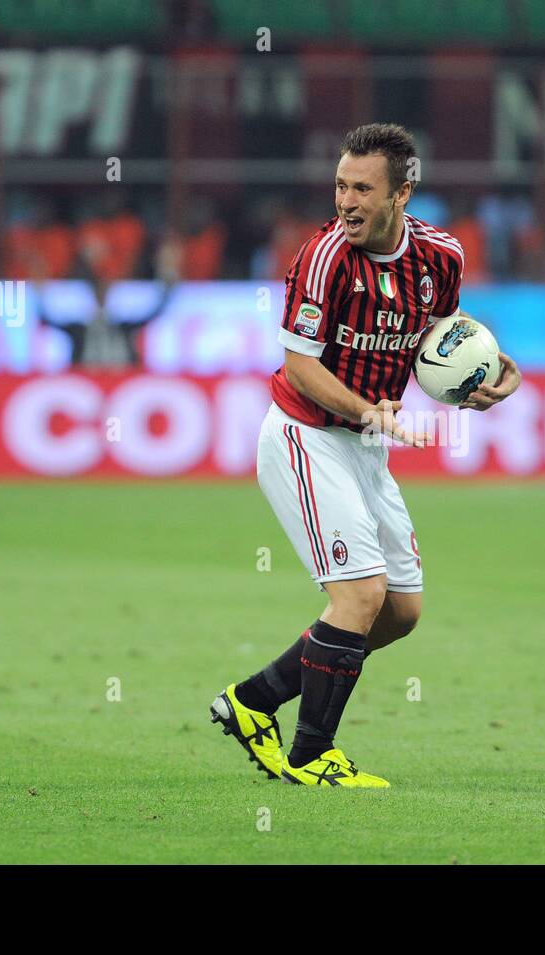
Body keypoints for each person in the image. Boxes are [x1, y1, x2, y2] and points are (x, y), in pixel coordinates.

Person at [209, 123, 521, 787]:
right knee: (359, 596)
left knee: (399, 611)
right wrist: (367, 409)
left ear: (403, 193)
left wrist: (494, 376)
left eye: (363, 189)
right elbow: (298, 366)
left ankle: (252, 700)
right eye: (340, 186)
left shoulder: (442, 257)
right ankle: (310, 753)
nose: (347, 202)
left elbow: (444, 342)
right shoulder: (324, 258)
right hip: (306, 436)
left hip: (367, 448)